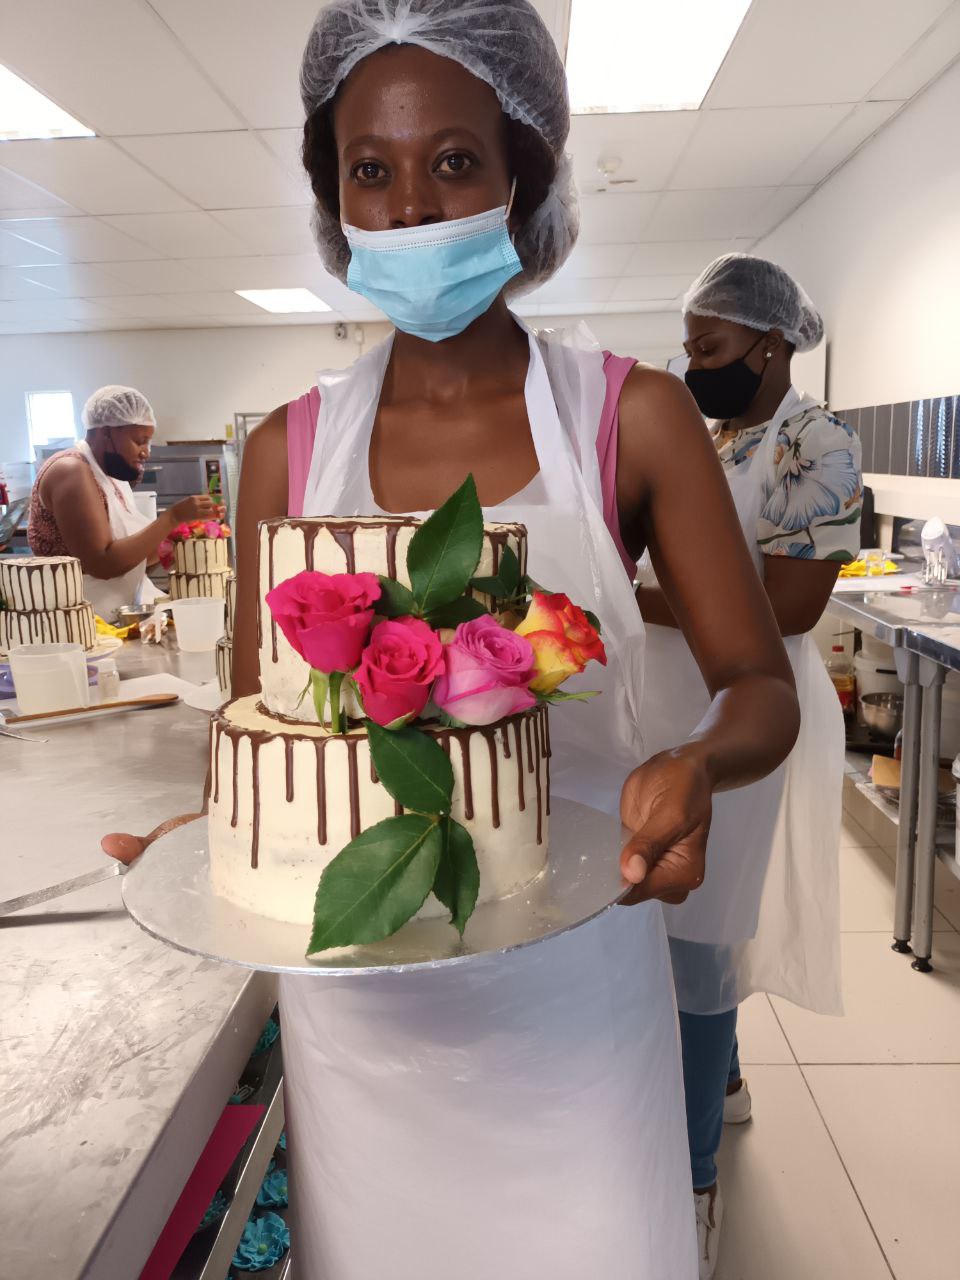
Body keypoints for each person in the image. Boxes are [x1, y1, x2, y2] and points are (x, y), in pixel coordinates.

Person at [231, 6, 800, 1277]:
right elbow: (260, 728)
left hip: (575, 1002)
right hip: (360, 1013)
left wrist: (699, 761)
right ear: (333, 200)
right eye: (369, 170)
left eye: (454, 161)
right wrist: (199, 835)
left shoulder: (633, 419)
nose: (409, 207)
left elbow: (761, 681)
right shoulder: (284, 451)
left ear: (522, 178)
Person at [636, 253, 862, 1276]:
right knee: (683, 907)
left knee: (702, 919)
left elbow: (791, 610)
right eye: (688, 347)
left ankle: (693, 1182)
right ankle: (723, 1078)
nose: (694, 365)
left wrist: (626, 601)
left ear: (769, 344)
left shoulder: (818, 443)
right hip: (673, 689)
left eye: (710, 346)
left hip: (751, 702)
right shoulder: (715, 433)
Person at [28, 385, 223, 619]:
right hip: (74, 622)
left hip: (112, 616)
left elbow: (134, 560)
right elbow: (103, 564)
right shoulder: (71, 470)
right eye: (139, 441)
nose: (146, 452)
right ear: (106, 432)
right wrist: (172, 518)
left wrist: (180, 536)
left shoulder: (111, 478)